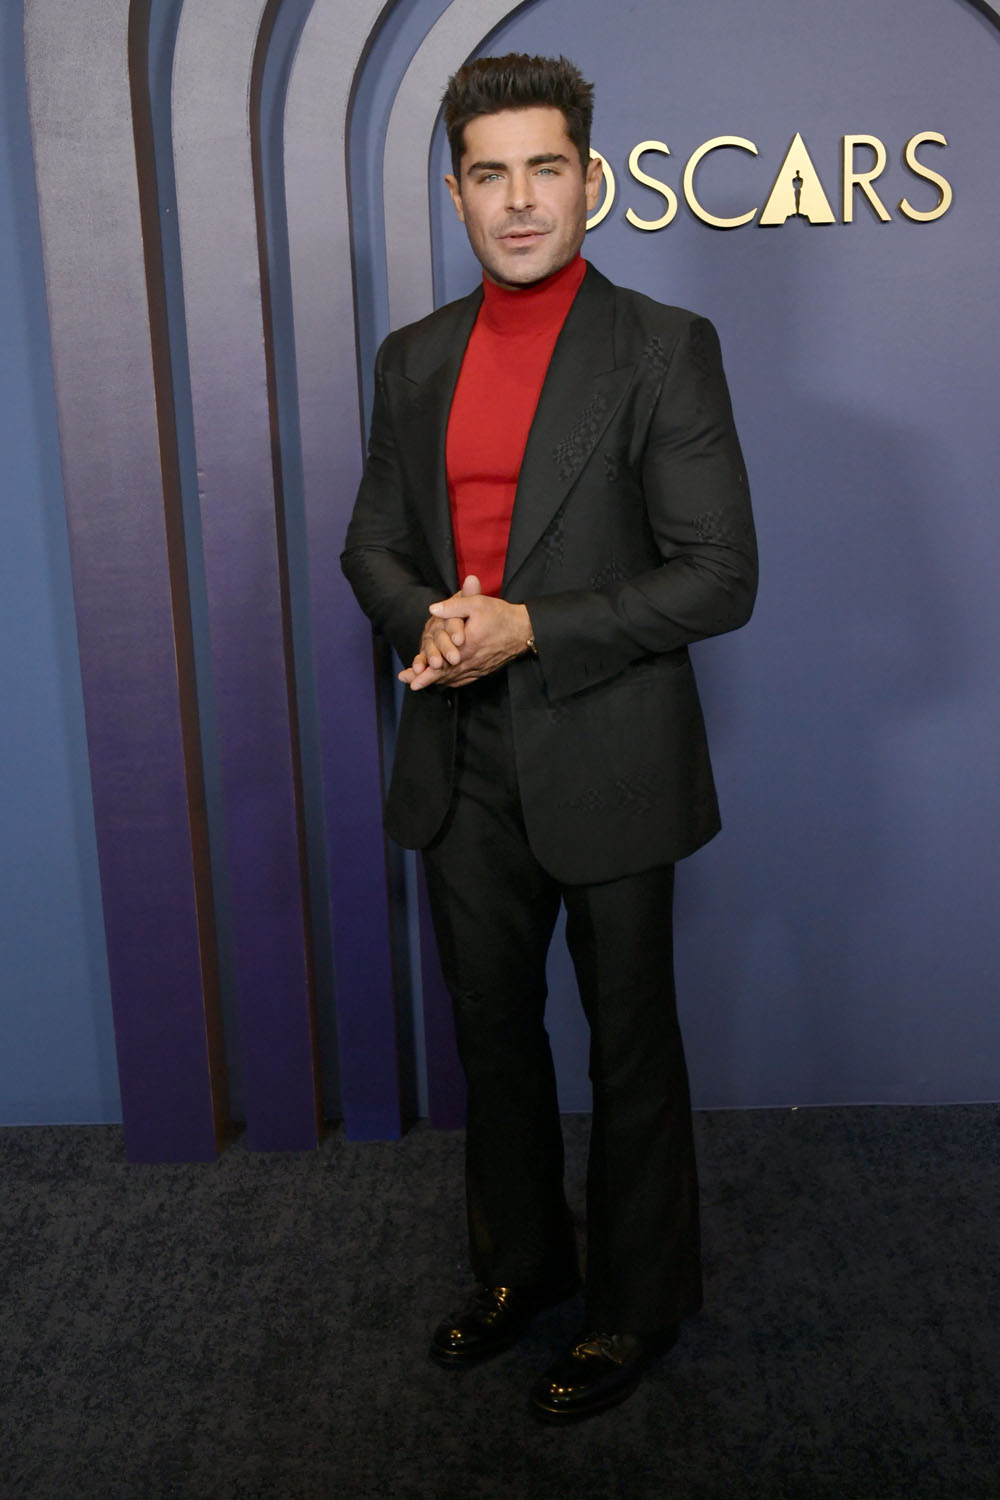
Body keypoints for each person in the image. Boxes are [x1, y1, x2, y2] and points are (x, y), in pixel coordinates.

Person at [342, 53, 757, 1421]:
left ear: (591, 180)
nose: (519, 200)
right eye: (489, 174)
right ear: (455, 191)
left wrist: (528, 627)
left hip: (612, 750)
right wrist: (434, 621)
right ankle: (523, 1268)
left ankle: (637, 1307)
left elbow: (720, 576)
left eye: (544, 168)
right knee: (494, 1037)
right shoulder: (413, 359)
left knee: (629, 1044)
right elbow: (372, 544)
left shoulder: (664, 347)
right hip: (460, 760)